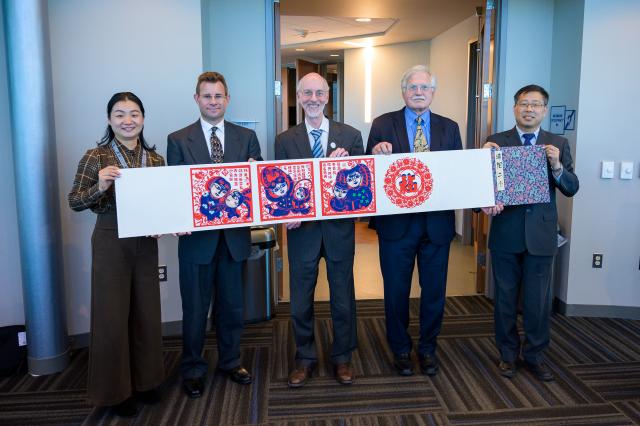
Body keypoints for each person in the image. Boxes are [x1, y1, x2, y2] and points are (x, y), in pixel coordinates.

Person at [68, 92, 165, 417]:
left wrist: (163, 222)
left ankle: (147, 381)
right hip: (111, 239)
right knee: (112, 317)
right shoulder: (96, 156)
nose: (128, 120)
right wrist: (99, 186)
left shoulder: (154, 159)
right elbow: (75, 201)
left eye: (134, 114)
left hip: (145, 241)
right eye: (120, 114)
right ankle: (116, 392)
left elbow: (161, 204)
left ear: (143, 118)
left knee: (146, 312)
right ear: (110, 119)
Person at [167, 71, 262, 399]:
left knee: (232, 307)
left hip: (234, 239)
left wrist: (255, 172)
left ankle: (230, 361)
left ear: (227, 99)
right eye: (206, 96)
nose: (213, 101)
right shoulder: (178, 139)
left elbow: (258, 184)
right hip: (197, 242)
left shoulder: (246, 138)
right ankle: (193, 368)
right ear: (197, 99)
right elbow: (177, 189)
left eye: (218, 96)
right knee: (194, 310)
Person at [366, 65, 462, 377]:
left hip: (436, 225)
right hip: (396, 225)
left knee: (434, 292)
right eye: (412, 87)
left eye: (424, 87)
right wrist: (375, 154)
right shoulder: (382, 124)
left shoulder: (450, 128)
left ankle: (428, 348)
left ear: (433, 92)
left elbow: (456, 174)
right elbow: (367, 174)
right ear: (403, 91)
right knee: (396, 291)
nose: (418, 92)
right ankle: (401, 349)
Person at [481, 84, 579, 382]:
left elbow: (571, 187)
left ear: (544, 110)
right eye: (524, 104)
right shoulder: (495, 142)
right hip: (506, 233)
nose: (529, 109)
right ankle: (508, 355)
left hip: (541, 235)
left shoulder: (557, 143)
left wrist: (557, 166)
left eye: (536, 105)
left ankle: (535, 355)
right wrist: (484, 189)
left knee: (539, 302)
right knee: (506, 300)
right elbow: (480, 186)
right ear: (514, 108)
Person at [275, 72, 363, 387]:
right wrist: (286, 212)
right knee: (300, 300)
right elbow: (280, 186)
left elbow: (360, 189)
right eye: (306, 93)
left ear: (327, 97)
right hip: (303, 233)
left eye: (319, 93)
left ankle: (342, 356)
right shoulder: (285, 140)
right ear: (298, 97)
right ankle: (305, 357)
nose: (313, 99)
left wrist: (348, 163)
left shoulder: (351, 136)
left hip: (339, 231)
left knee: (343, 297)